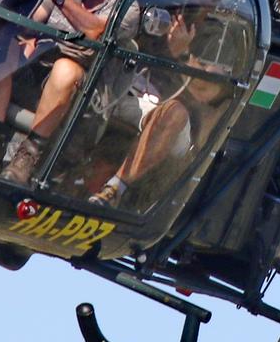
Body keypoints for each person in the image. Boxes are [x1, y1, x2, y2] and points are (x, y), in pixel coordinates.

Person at [0, 0, 129, 184]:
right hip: (38, 72)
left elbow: (96, 32)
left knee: (65, 69)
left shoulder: (126, 6)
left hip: (84, 95)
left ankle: (28, 156)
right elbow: (31, 21)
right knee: (3, 44)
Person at [94, 26, 235, 209]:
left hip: (180, 126)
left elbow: (206, 88)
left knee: (174, 112)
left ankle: (114, 190)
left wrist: (181, 54)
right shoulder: (156, 21)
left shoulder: (219, 36)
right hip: (125, 93)